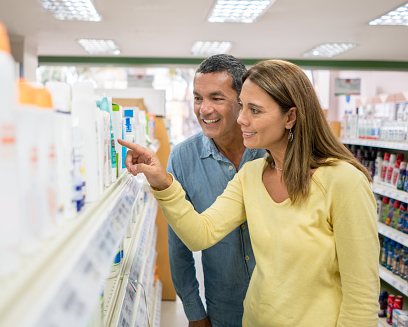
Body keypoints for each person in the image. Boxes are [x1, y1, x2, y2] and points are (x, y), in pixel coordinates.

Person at [118, 59, 380, 326]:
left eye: (254, 110)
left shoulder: (344, 182)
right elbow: (200, 234)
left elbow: (361, 297)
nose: (241, 119)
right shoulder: (252, 175)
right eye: (243, 106)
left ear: (290, 117)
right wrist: (163, 182)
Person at [166, 54, 265, 327]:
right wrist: (194, 312)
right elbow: (179, 246)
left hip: (278, 307)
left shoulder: (272, 152)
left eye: (216, 98)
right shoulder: (183, 158)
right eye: (198, 98)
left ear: (242, 100)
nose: (204, 109)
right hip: (224, 305)